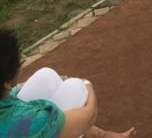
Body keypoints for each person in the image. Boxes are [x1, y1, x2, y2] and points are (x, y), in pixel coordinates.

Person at [0, 29, 135, 138]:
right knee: (76, 87)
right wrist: (87, 85)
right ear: (6, 82)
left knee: (46, 76)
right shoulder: (27, 121)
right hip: (16, 127)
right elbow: (90, 115)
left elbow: (10, 93)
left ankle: (103, 136)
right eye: (21, 62)